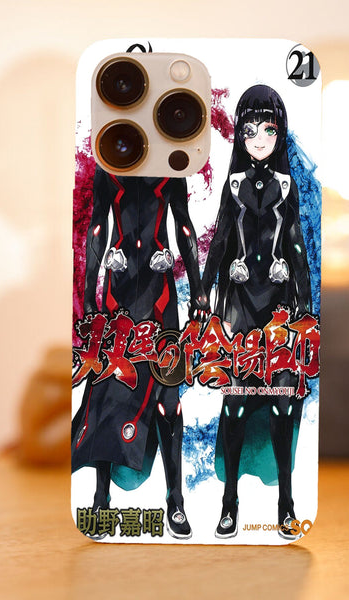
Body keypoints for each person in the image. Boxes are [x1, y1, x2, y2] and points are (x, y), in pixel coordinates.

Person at [72, 168, 209, 539]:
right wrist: (89, 291)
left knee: (168, 396)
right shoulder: (108, 162)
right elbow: (98, 226)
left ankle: (175, 500)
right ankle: (101, 498)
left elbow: (183, 224)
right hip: (117, 289)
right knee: (106, 389)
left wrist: (198, 287)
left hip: (158, 291)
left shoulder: (171, 165)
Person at [202, 84, 312, 539]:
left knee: (283, 404)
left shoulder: (287, 185)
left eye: (269, 129)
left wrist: (304, 296)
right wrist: (206, 288)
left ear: (280, 132)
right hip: (242, 306)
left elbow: (297, 242)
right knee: (235, 403)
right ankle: (229, 502)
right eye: (250, 130)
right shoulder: (233, 184)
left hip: (279, 308)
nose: (260, 139)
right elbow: (220, 239)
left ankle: (287, 501)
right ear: (240, 135)